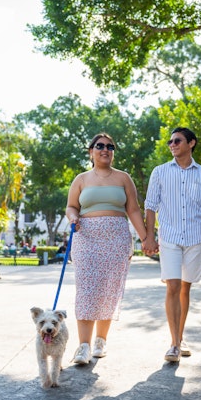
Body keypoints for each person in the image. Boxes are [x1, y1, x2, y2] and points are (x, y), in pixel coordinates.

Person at [66, 132, 148, 365]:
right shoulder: (81, 179)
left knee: (108, 290)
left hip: (117, 239)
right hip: (87, 237)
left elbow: (133, 210)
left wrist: (146, 239)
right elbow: (71, 207)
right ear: (91, 151)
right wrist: (73, 218)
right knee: (87, 290)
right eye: (100, 146)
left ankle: (100, 341)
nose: (105, 149)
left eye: (110, 146)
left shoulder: (124, 178)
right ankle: (83, 346)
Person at [143, 127, 201, 363]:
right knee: (172, 287)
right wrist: (149, 236)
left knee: (186, 289)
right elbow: (150, 206)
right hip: (170, 238)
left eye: (177, 141)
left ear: (191, 143)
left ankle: (180, 336)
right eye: (170, 142)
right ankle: (174, 344)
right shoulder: (160, 172)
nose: (172, 144)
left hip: (196, 239)